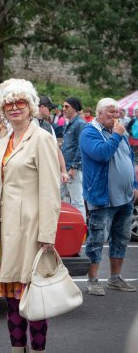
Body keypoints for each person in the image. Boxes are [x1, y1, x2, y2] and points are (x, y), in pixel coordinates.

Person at [0, 78, 61, 353]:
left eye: (20, 102)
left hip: (31, 231)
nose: (14, 108)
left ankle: (38, 350)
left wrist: (47, 234)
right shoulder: (4, 138)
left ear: (31, 106)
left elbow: (51, 190)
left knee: (33, 297)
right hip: (5, 231)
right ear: (3, 108)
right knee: (11, 298)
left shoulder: (42, 138)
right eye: (9, 103)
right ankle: (16, 349)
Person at [79, 97, 137, 296]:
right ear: (99, 114)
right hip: (102, 197)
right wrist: (117, 135)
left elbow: (128, 157)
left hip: (125, 197)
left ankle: (115, 278)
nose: (116, 116)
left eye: (117, 112)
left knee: (121, 238)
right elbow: (102, 154)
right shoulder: (89, 132)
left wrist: (134, 185)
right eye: (111, 112)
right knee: (96, 240)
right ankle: (93, 280)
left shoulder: (119, 131)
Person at [61, 97, 86, 221]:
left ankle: (81, 234)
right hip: (65, 168)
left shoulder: (80, 124)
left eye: (66, 106)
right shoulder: (70, 123)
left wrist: (74, 167)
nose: (63, 109)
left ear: (74, 108)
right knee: (58, 198)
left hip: (72, 168)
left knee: (77, 200)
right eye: (63, 106)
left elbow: (82, 147)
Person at [35, 95, 69, 183]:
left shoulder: (49, 127)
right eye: (49, 108)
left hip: (46, 169)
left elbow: (56, 149)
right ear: (42, 107)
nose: (51, 111)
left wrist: (64, 170)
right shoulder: (26, 124)